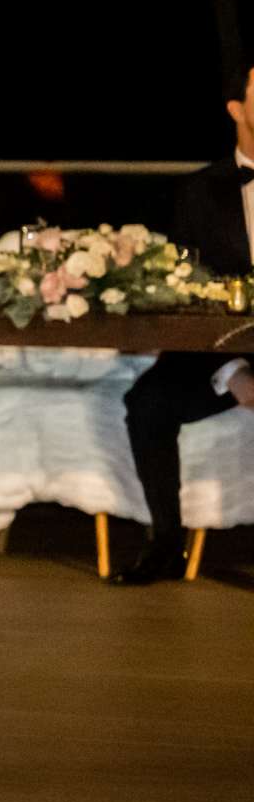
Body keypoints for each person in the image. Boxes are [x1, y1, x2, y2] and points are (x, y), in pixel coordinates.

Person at [114, 64, 254, 585]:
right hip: (216, 350)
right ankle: (165, 545)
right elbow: (189, 290)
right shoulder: (199, 191)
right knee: (147, 402)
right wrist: (234, 371)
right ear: (236, 110)